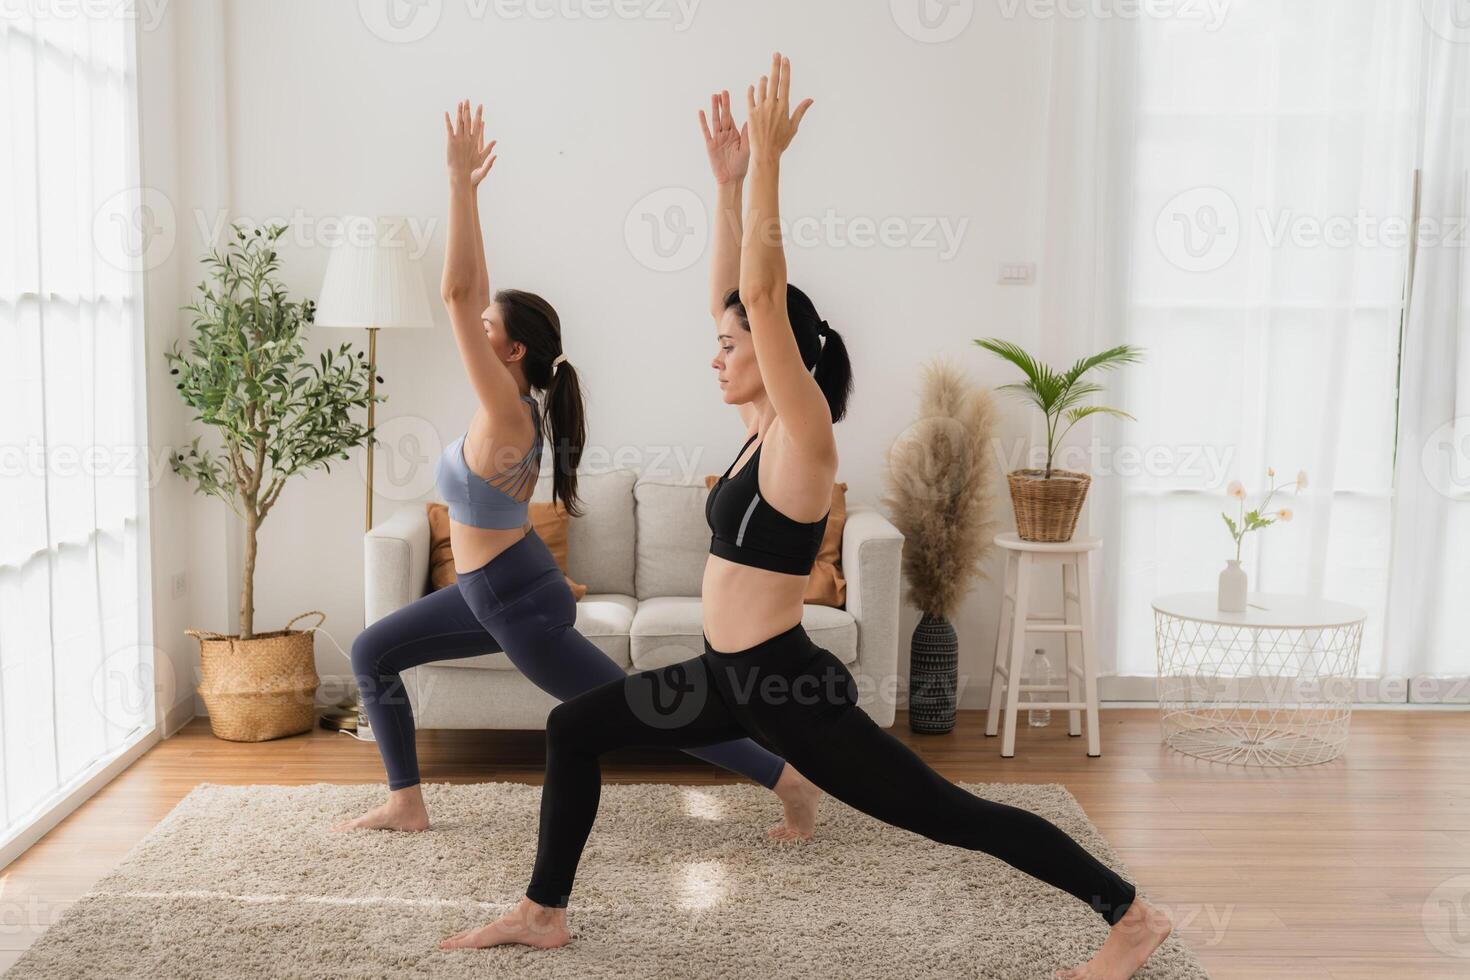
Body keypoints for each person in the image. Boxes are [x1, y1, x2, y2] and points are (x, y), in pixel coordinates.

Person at [442, 58, 1173, 980]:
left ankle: (1131, 914)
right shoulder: (757, 430)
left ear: (778, 351)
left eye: (733, 345)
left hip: (788, 686)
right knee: (574, 728)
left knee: (950, 814)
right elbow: (734, 295)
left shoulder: (805, 439)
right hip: (725, 676)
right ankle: (543, 912)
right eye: (719, 342)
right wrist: (727, 184)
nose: (717, 355)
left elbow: (762, 288)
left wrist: (773, 173)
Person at [332, 100, 822, 842]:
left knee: (642, 709)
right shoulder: (511, 404)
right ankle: (407, 800)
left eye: (489, 331)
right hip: (496, 587)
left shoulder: (505, 412)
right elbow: (474, 300)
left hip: (513, 603)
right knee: (372, 652)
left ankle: (785, 778)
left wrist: (461, 185)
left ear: (513, 353)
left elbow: (459, 293)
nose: (475, 331)